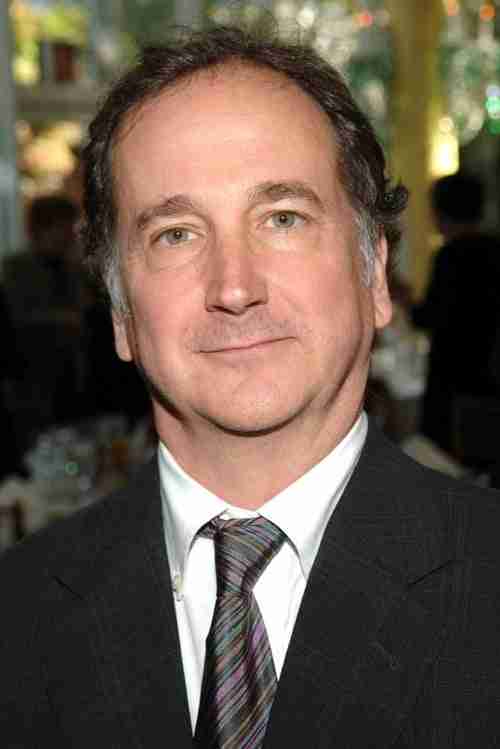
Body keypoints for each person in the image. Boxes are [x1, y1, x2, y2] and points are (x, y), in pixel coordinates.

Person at [2, 24, 500, 747]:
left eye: (282, 218)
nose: (234, 287)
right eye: (176, 234)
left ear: (373, 275)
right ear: (121, 315)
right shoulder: (17, 618)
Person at [413, 173, 500, 456]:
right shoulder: (494, 250)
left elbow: (429, 318)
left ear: (441, 212)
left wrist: (402, 299)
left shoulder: (450, 257)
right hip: (488, 381)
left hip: (453, 381)